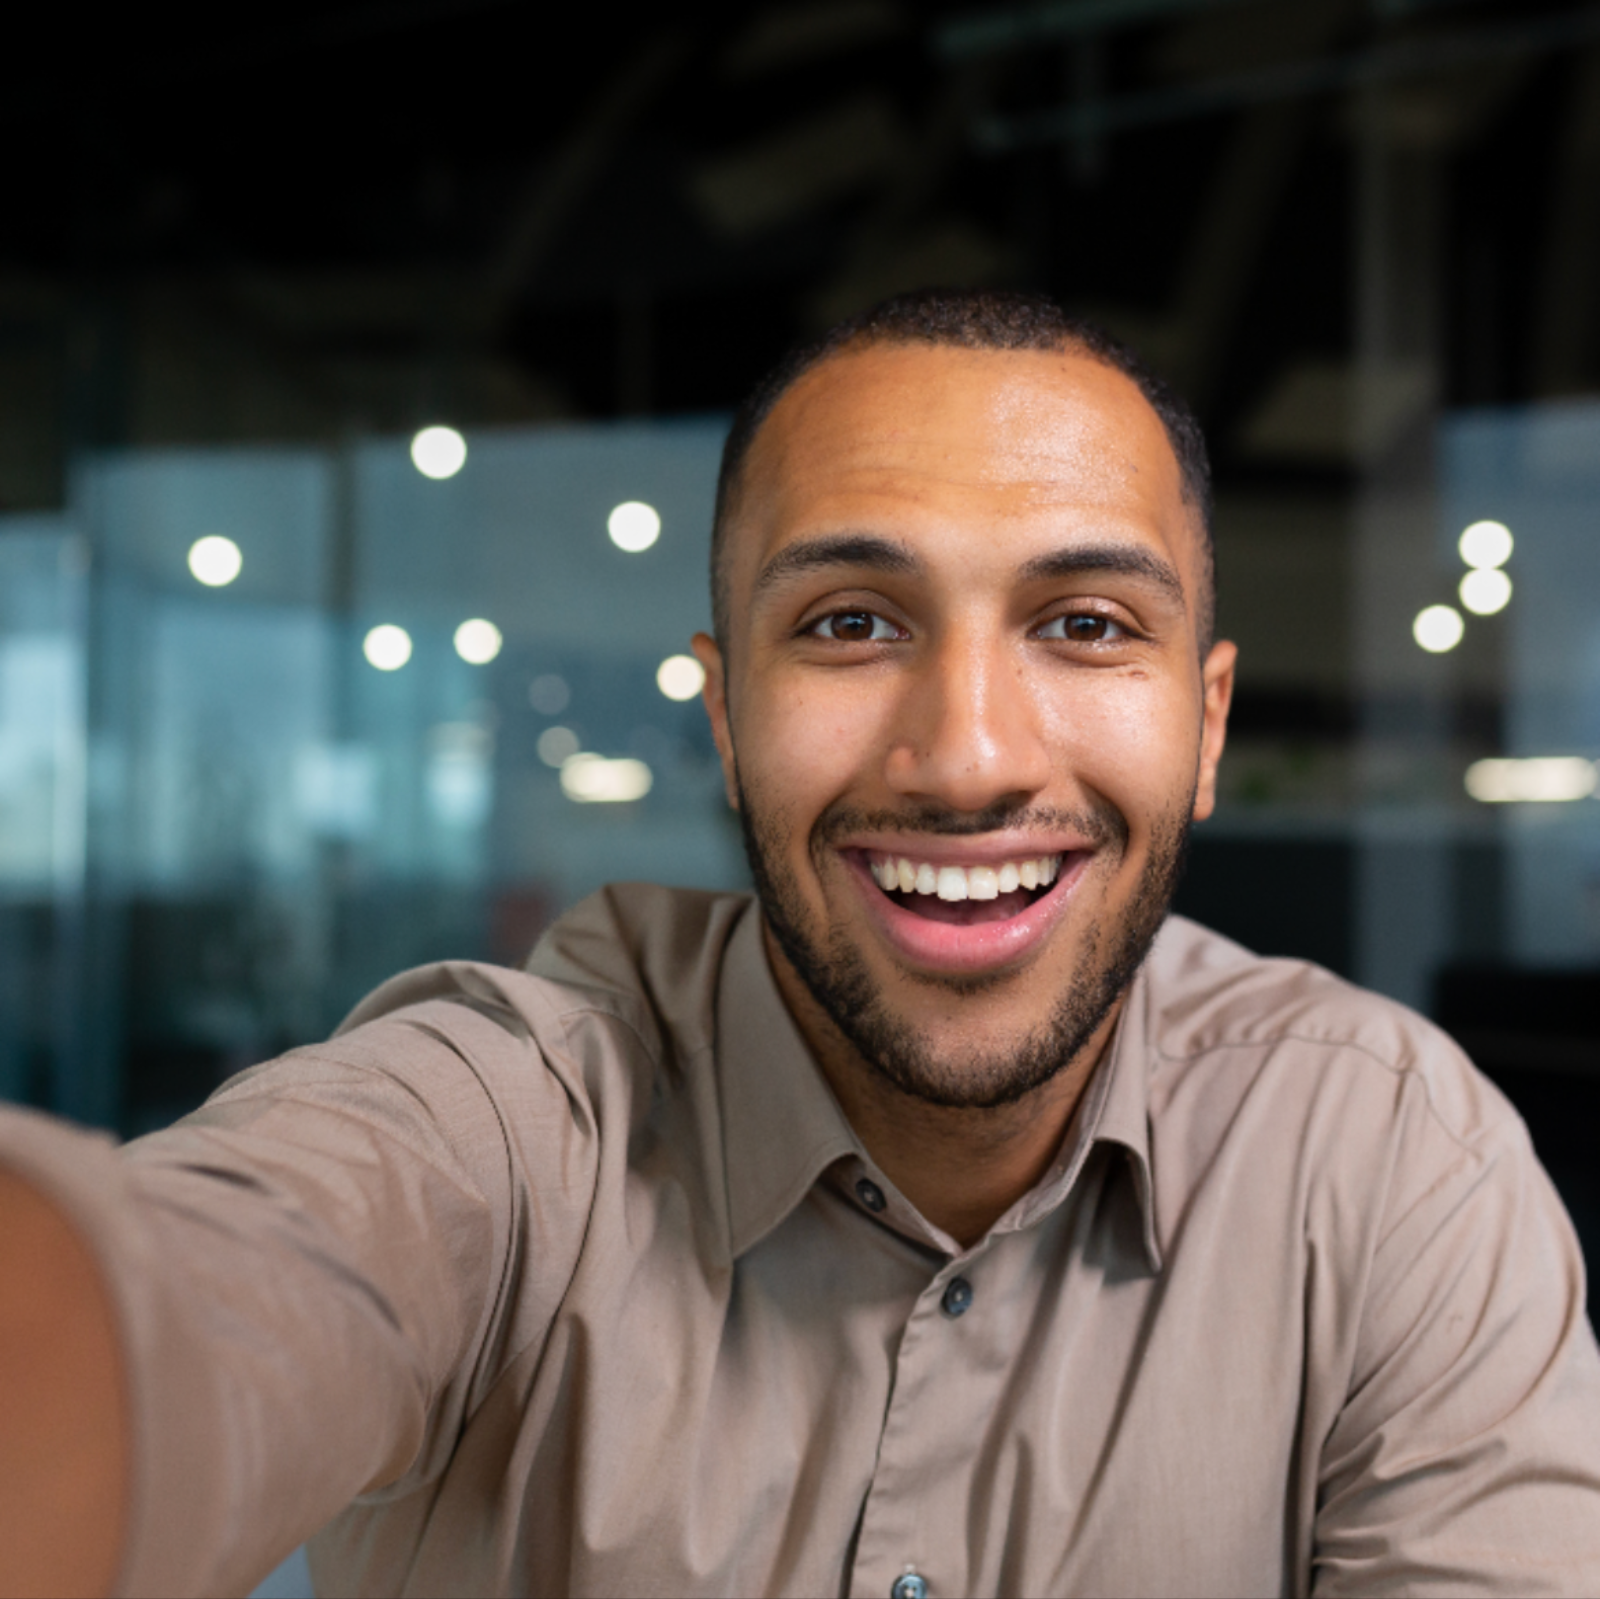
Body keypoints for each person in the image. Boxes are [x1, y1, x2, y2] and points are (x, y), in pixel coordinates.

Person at [2, 289, 1598, 1599]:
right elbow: (235, 1280)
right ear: (724, 715)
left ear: (1206, 722)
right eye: (849, 622)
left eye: (1086, 625)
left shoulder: (1392, 1157)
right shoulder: (511, 1122)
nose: (968, 756)